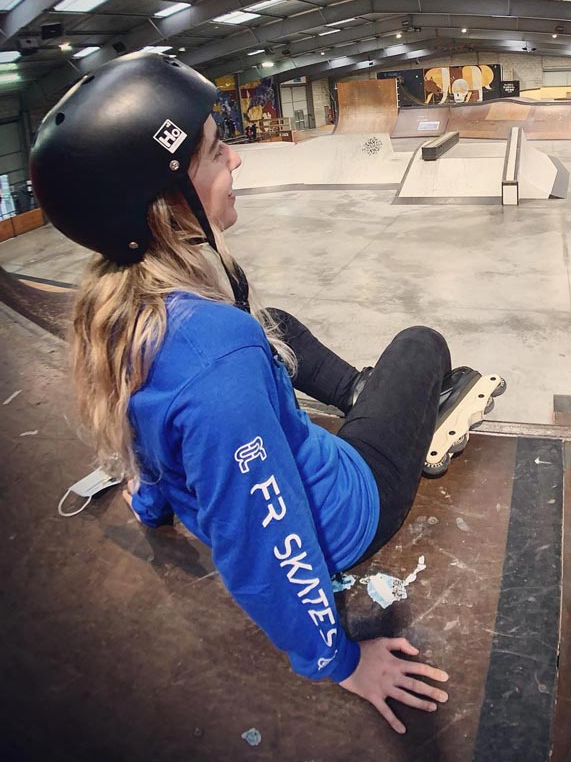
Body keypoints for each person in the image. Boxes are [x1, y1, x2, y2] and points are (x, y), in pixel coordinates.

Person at [29, 52, 457, 734]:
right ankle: (367, 394)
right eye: (216, 150)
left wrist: (150, 507)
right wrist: (338, 659)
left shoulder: (118, 313)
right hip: (350, 507)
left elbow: (146, 440)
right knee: (418, 343)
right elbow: (265, 538)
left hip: (258, 449)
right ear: (167, 200)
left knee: (272, 324)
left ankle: (355, 391)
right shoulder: (218, 359)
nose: (237, 162)